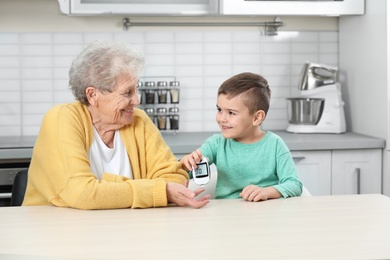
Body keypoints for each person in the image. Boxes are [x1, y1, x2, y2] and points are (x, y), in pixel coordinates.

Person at [23, 41, 210, 210]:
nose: (136, 100)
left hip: (126, 229)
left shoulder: (138, 120)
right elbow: (81, 194)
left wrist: (105, 187)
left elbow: (174, 177)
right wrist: (155, 190)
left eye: (136, 89)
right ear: (92, 95)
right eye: (127, 92)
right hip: (55, 232)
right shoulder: (62, 119)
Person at [181, 72, 302, 202]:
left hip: (266, 215)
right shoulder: (216, 144)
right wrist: (184, 164)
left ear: (257, 117)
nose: (222, 119)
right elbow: (183, 174)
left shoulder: (275, 144)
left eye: (231, 113)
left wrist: (267, 192)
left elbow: (294, 184)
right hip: (226, 215)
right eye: (219, 110)